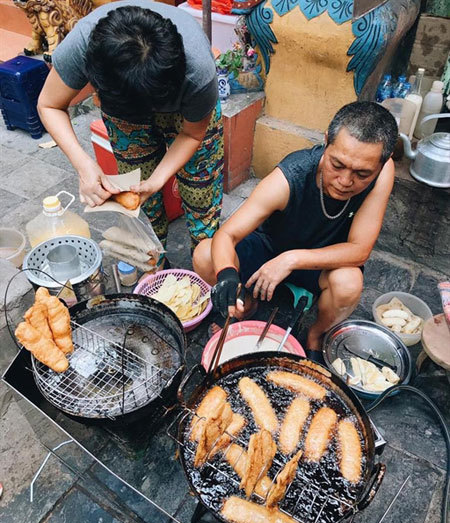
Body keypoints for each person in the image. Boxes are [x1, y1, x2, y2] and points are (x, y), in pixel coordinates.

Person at [193, 101, 398, 360]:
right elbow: (227, 234)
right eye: (337, 165)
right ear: (326, 142)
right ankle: (248, 304)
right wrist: (227, 277)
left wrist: (292, 259)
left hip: (321, 263)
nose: (346, 181)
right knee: (204, 253)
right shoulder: (290, 176)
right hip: (269, 250)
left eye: (361, 174)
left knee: (349, 284)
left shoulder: (382, 170)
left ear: (381, 163)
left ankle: (316, 334)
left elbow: (360, 250)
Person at [37, 1, 223, 258]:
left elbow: (192, 134)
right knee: (136, 194)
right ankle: (153, 262)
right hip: (123, 109)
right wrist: (84, 166)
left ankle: (205, 261)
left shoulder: (197, 73)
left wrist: (157, 181)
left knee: (201, 191)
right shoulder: (82, 45)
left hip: (189, 115)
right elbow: (49, 105)